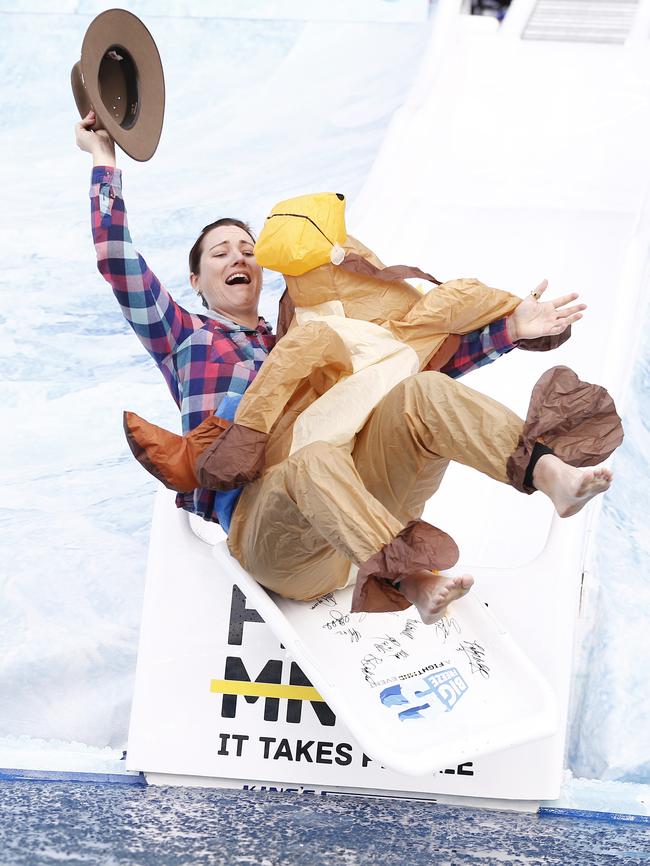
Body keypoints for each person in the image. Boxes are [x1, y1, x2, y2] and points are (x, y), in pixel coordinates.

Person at [76, 111, 620, 625]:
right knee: (308, 461)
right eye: (219, 253)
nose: (238, 258)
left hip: (357, 512)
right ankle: (413, 582)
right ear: (195, 281)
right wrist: (105, 159)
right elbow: (117, 261)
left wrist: (511, 329)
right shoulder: (185, 337)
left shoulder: (303, 333)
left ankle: (551, 474)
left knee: (422, 390)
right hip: (275, 536)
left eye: (248, 249)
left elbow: (398, 367)